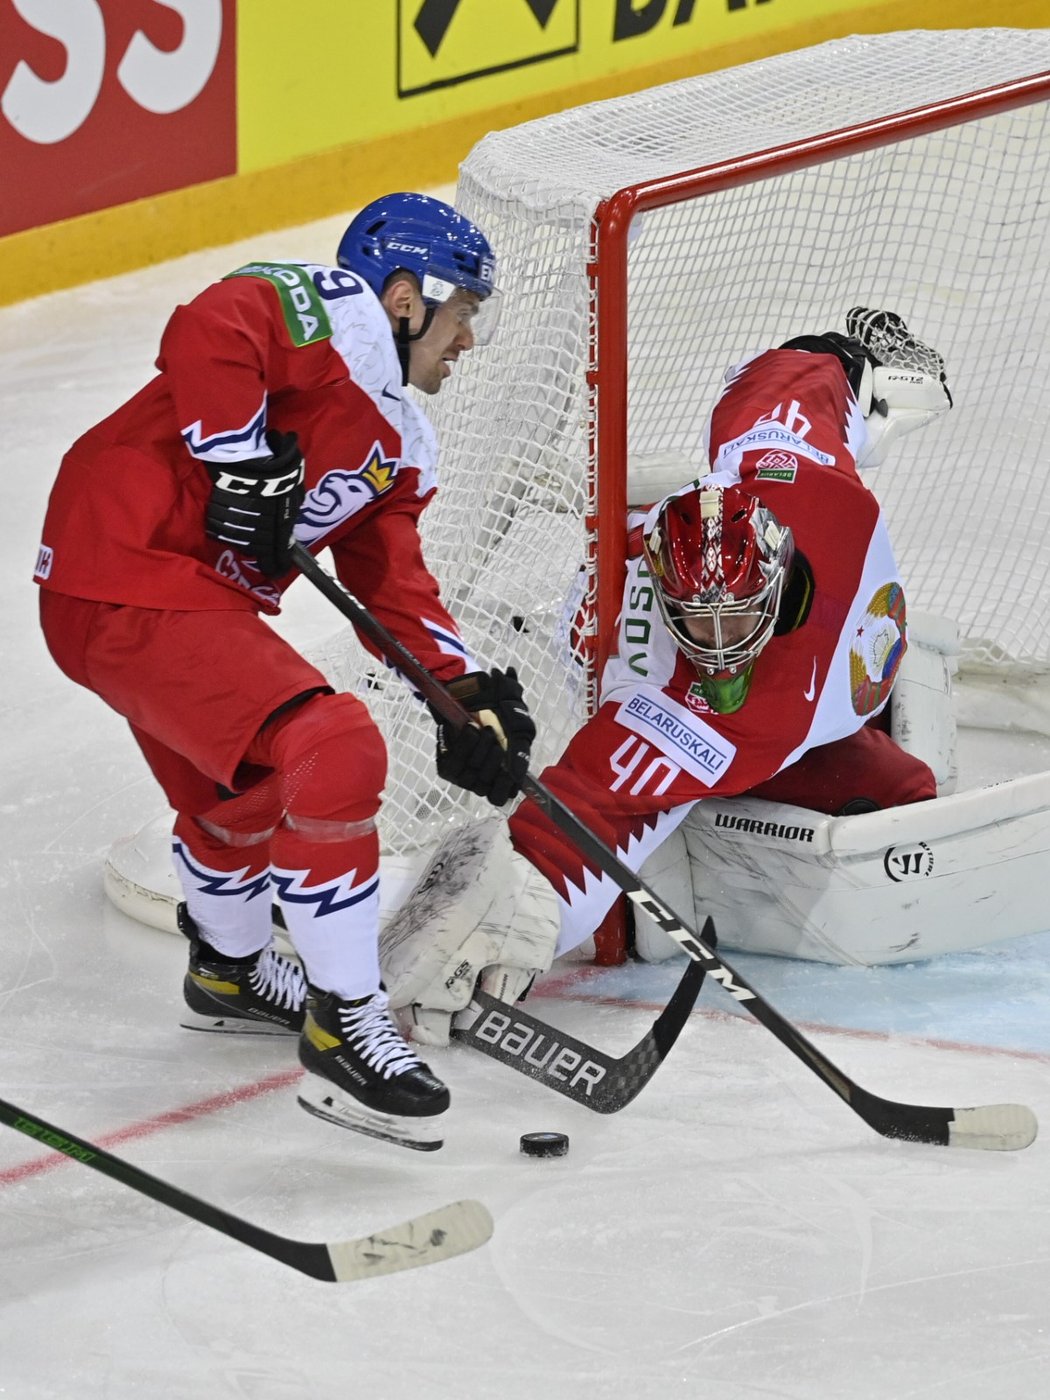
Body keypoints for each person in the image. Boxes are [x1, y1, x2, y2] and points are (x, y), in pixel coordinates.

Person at [33, 192, 535, 1152]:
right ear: (404, 297)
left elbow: (392, 576)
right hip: (125, 560)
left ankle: (227, 971)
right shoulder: (334, 311)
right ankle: (348, 1024)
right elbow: (211, 326)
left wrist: (459, 694)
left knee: (252, 787)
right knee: (333, 745)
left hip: (168, 602)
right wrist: (239, 459)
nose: (469, 340)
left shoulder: (400, 445)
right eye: (463, 311)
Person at [380, 309, 955, 1043]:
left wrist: (855, 357)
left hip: (746, 627)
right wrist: (519, 906)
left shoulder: (795, 472)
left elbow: (795, 375)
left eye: (736, 619)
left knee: (899, 791)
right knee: (896, 791)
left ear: (776, 578)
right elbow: (596, 804)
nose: (719, 648)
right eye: (701, 625)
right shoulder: (716, 704)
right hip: (614, 639)